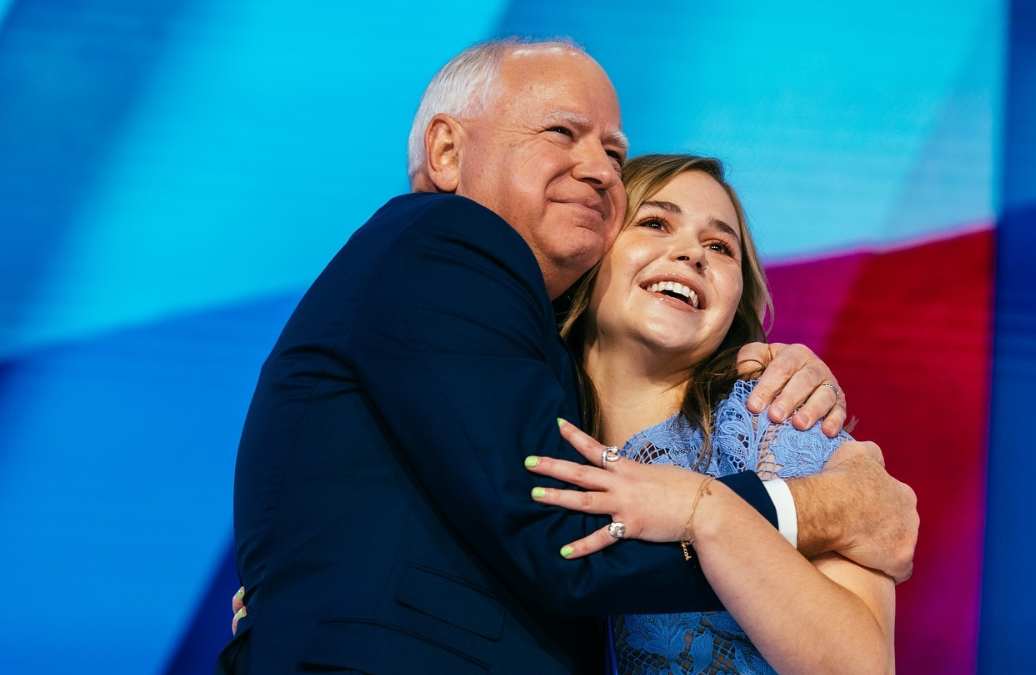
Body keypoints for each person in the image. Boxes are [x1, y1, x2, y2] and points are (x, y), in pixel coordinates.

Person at [223, 38, 916, 673]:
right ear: (445, 152)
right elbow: (557, 536)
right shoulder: (449, 241)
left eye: (614, 155)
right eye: (562, 132)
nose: (597, 171)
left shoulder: (774, 418)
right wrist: (821, 507)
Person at [526, 154, 895, 673]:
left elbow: (860, 666)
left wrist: (704, 510)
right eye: (655, 223)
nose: (690, 254)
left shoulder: (780, 425)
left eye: (720, 246)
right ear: (590, 251)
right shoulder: (522, 420)